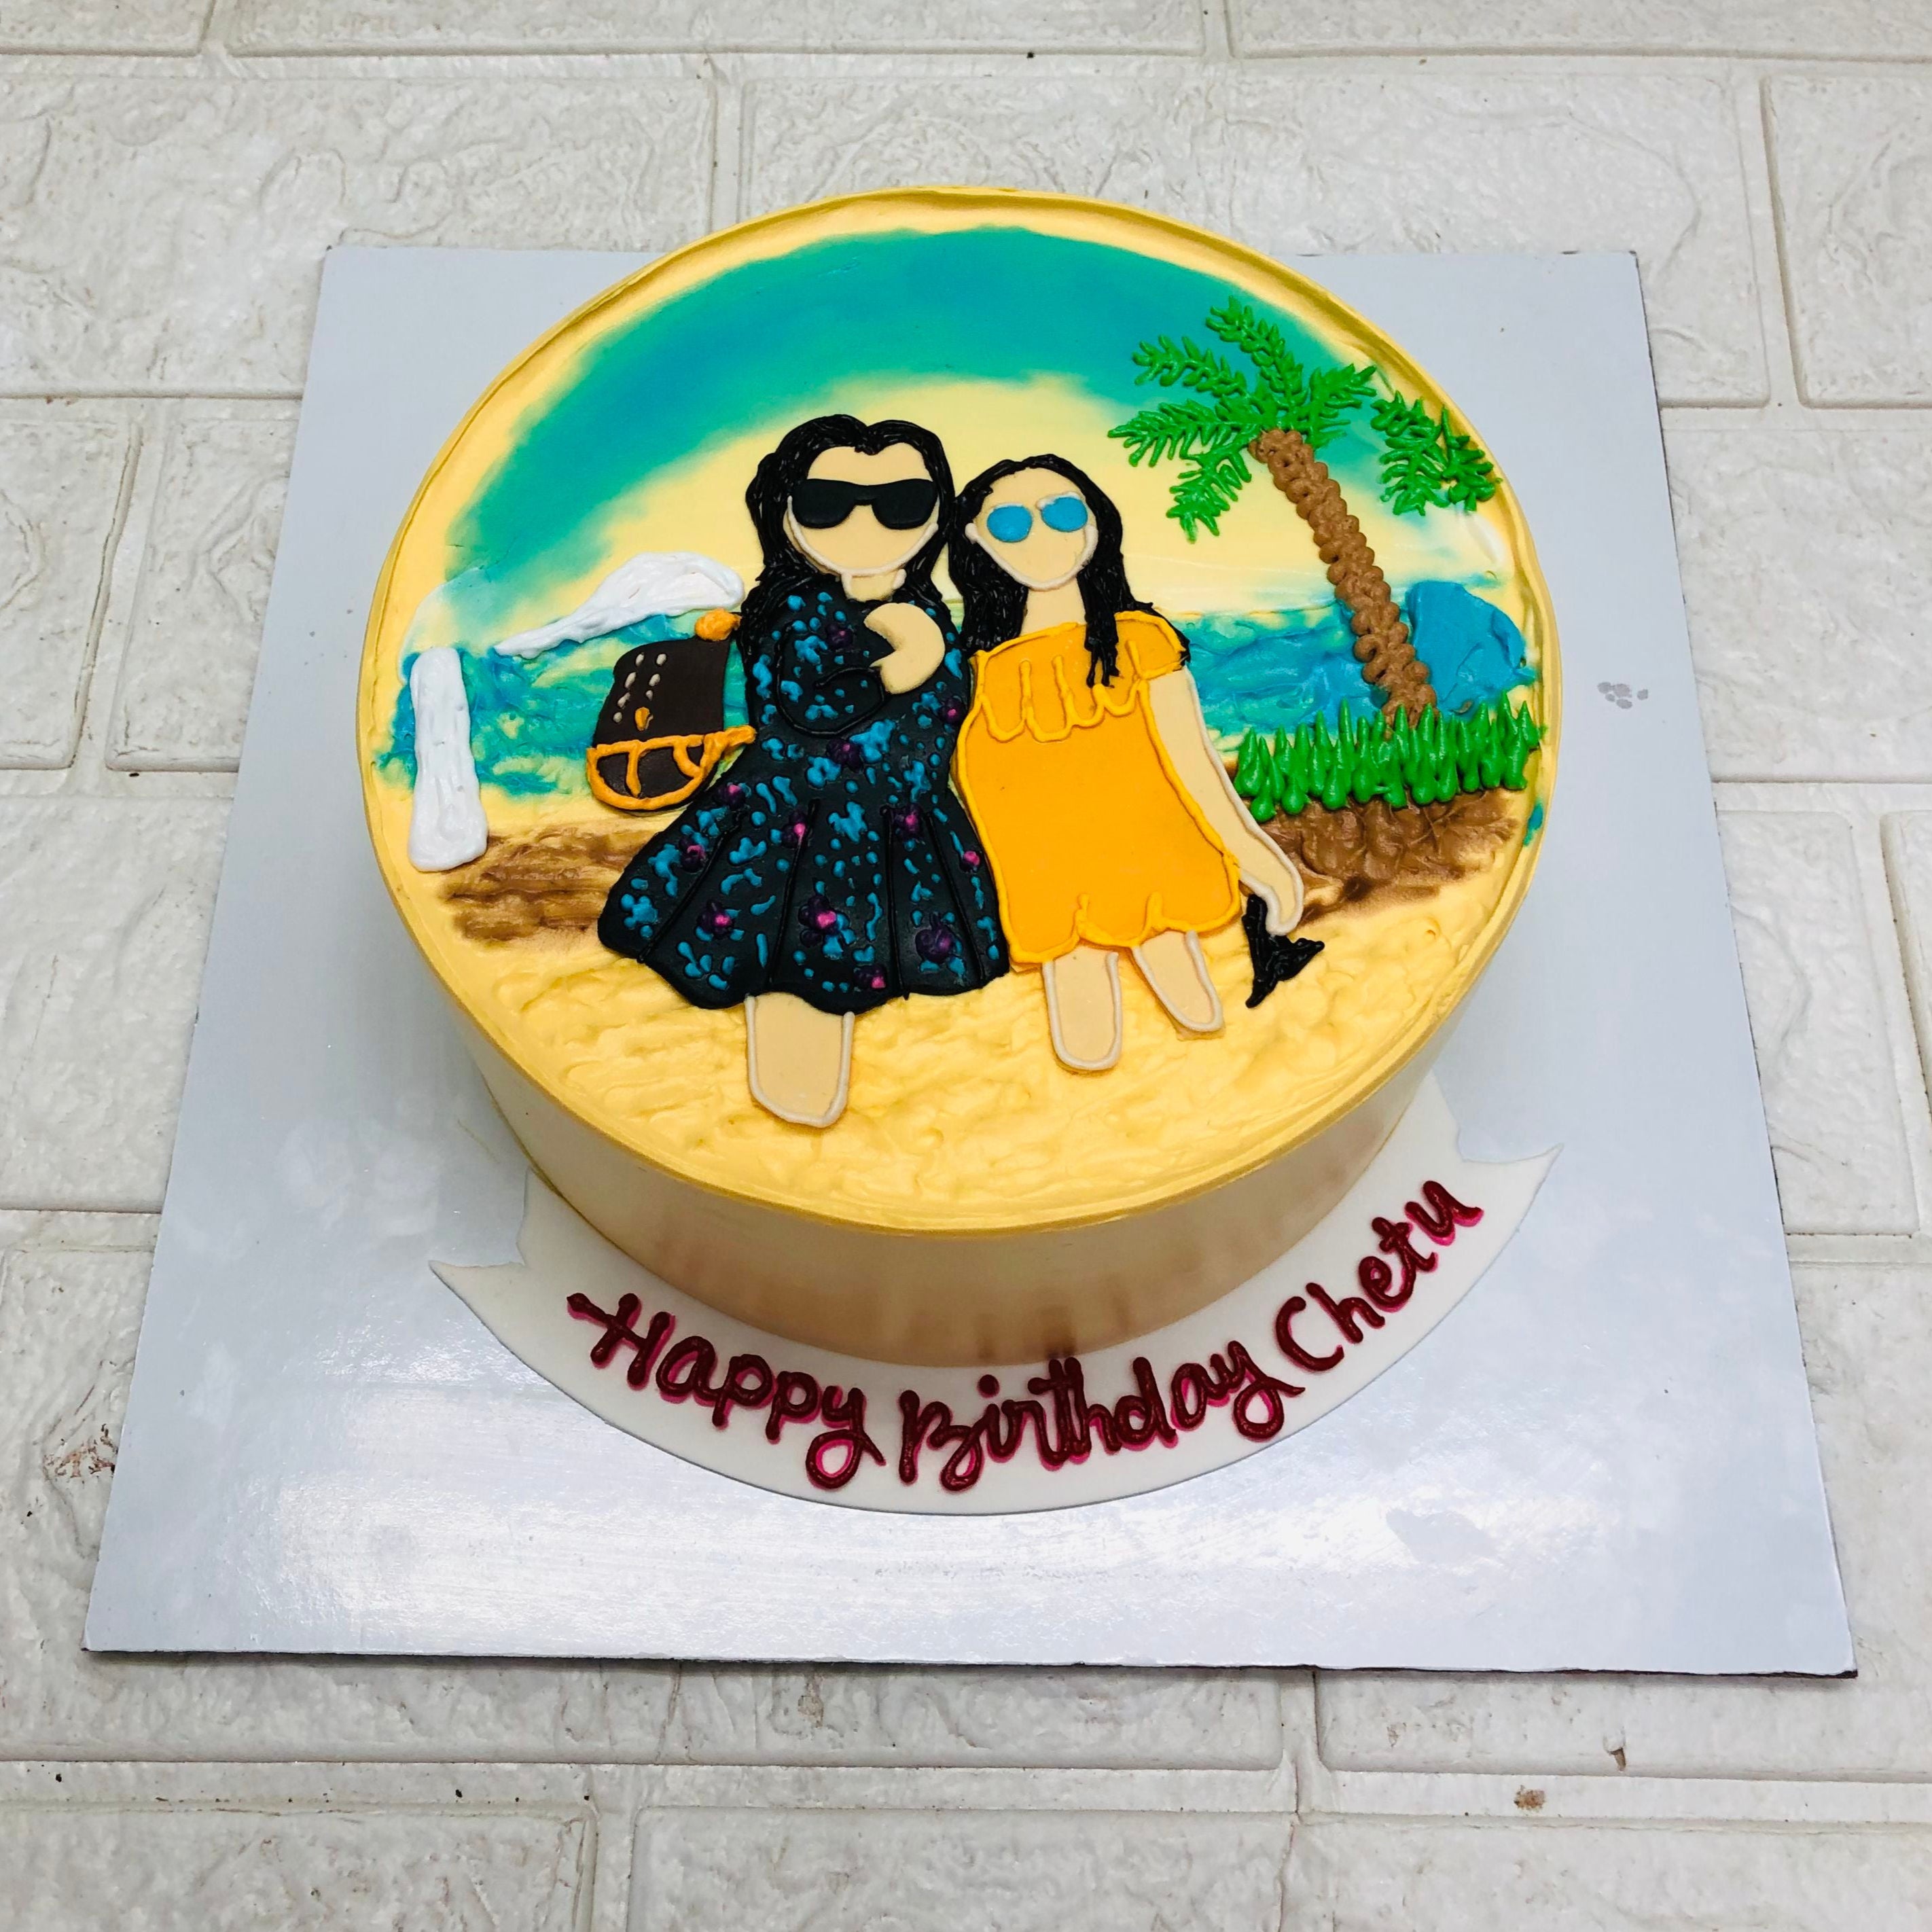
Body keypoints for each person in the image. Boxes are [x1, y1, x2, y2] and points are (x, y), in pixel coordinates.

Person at [598, 416, 1005, 1128]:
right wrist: (900, 662)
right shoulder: (795, 606)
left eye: (901, 504)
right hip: (798, 823)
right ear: (785, 509)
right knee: (790, 960)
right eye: (830, 503)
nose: (866, 524)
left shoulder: (919, 602)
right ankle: (792, 1116)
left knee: (862, 964)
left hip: (902, 819)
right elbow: (810, 703)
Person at [948, 454, 1304, 1071]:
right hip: (1050, 883)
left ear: (1095, 520)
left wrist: (1255, 855)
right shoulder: (974, 675)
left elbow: (1192, 762)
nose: (1042, 535)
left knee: (1198, 1010)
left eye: (1062, 512)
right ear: (976, 542)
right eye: (1010, 523)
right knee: (1083, 1034)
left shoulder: (1140, 642)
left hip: (1152, 861)